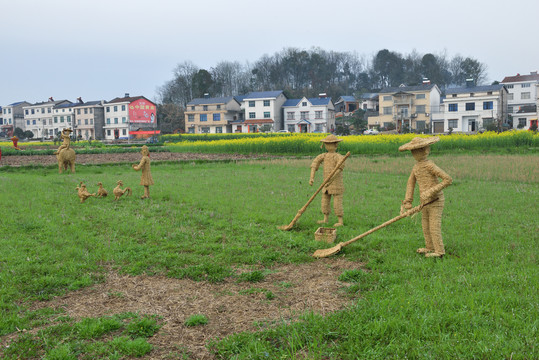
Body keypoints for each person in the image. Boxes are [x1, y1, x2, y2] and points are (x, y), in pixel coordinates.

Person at [399, 136, 452, 258]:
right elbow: (410, 183)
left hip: (435, 200)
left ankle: (439, 251)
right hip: (424, 202)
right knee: (425, 225)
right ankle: (429, 247)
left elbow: (447, 179)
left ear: (426, 150)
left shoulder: (430, 166)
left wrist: (431, 191)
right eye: (413, 151)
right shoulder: (416, 167)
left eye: (417, 150)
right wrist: (408, 201)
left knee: (434, 225)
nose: (415, 154)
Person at [309, 134, 346, 227]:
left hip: (336, 184)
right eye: (326, 144)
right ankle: (325, 219)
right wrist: (312, 177)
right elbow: (315, 163)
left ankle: (340, 221)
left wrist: (331, 179)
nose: (328, 146)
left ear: (336, 145)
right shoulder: (324, 156)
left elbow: (339, 169)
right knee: (324, 202)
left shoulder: (338, 157)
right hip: (325, 185)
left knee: (337, 202)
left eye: (331, 144)